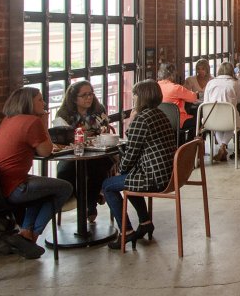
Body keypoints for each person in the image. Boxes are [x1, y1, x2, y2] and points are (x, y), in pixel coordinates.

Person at [0, 87, 73, 257]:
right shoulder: (32, 122)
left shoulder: (9, 119)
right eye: (40, 100)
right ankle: (33, 235)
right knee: (65, 188)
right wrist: (43, 124)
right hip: (14, 187)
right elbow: (46, 152)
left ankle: (25, 235)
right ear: (28, 103)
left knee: (41, 191)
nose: (45, 103)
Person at [102, 80, 176, 251]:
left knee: (107, 186)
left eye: (134, 95)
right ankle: (145, 222)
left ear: (141, 97)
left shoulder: (141, 119)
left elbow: (130, 156)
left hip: (153, 178)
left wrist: (119, 171)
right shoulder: (160, 114)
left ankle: (126, 230)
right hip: (168, 174)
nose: (133, 98)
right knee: (130, 181)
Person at [53, 81, 114, 223]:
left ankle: (90, 204)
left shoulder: (99, 110)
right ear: (74, 98)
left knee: (97, 168)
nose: (89, 98)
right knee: (65, 171)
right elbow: (61, 137)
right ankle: (84, 200)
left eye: (91, 94)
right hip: (72, 154)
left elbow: (104, 130)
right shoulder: (64, 115)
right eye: (84, 95)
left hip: (97, 152)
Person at [203, 61, 240, 161]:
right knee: (232, 124)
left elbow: (206, 101)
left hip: (212, 118)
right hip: (229, 117)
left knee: (216, 126)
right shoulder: (235, 83)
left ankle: (222, 149)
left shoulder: (210, 83)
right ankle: (223, 147)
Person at [157, 62, 200, 140]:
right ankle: (189, 145)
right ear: (172, 74)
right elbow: (193, 98)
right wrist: (196, 94)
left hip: (160, 121)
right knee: (198, 120)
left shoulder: (156, 86)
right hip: (177, 121)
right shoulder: (176, 88)